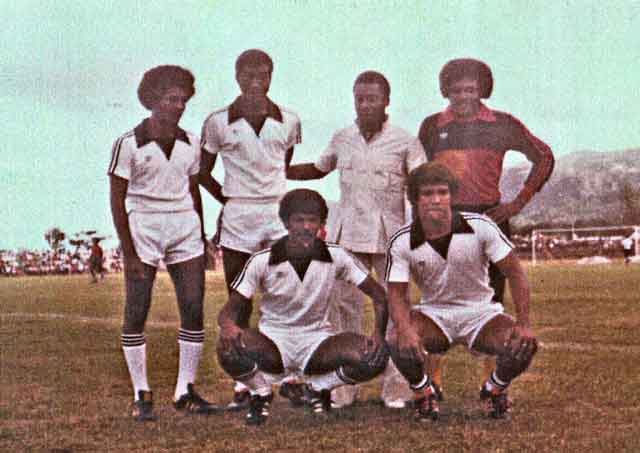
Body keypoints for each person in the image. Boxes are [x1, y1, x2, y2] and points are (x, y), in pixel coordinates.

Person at [287, 70, 425, 408]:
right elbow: (319, 169)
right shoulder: (342, 137)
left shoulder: (405, 141)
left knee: (396, 310)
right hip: (347, 235)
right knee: (342, 310)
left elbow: (422, 185)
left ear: (386, 102)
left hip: (390, 238)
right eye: (359, 99)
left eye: (372, 99)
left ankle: (397, 387)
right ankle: (342, 386)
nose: (364, 105)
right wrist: (277, 167)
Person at [417, 58, 554, 397]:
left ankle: (493, 384)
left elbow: (544, 156)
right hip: (443, 221)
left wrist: (517, 203)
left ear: (482, 89)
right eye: (456, 89)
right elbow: (421, 175)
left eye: (470, 89)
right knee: (437, 296)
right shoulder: (432, 126)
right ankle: (432, 382)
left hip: (491, 218)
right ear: (445, 90)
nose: (463, 96)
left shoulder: (503, 124)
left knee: (492, 299)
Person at [216, 189, 389, 425]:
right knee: (226, 347)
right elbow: (229, 310)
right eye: (299, 220)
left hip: (317, 342)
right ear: (286, 223)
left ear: (321, 223)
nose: (307, 226)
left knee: (375, 357)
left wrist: (378, 333)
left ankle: (318, 388)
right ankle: (261, 392)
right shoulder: (262, 260)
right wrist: (228, 327)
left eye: (312, 220)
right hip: (273, 343)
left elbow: (379, 296)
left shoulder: (337, 256)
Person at [386, 162, 538, 421]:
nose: (436, 199)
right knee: (395, 338)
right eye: (427, 193)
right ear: (414, 199)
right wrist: (404, 328)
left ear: (452, 196)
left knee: (524, 343)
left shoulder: (481, 226)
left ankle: (494, 389)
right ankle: (424, 393)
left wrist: (523, 323)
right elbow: (397, 293)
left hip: (481, 314)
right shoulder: (402, 240)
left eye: (442, 192)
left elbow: (515, 273)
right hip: (435, 314)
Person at [109, 65, 217, 421]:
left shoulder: (191, 142)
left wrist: (200, 235)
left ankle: (184, 391)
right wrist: (129, 251)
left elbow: (193, 189)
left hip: (184, 224)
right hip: (145, 226)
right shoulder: (128, 143)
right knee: (137, 309)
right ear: (153, 100)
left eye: (184, 100)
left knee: (193, 305)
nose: (179, 106)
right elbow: (118, 199)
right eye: (172, 99)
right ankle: (141, 392)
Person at [199, 49, 302, 410]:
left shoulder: (289, 120)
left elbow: (282, 165)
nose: (256, 81)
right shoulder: (217, 121)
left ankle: (291, 376)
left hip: (276, 214)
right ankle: (244, 384)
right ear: (237, 75)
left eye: (263, 74)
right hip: (239, 214)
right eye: (248, 74)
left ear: (272, 76)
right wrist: (227, 199)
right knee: (239, 300)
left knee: (286, 294)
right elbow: (201, 171)